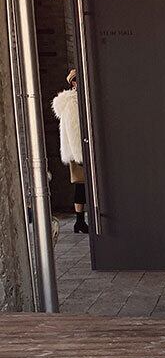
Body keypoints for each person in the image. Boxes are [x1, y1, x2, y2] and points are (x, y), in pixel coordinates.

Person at [51, 68, 87, 234]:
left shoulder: (77, 99)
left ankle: (80, 222)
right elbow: (74, 130)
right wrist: (79, 155)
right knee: (81, 185)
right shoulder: (72, 101)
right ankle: (79, 221)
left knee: (82, 186)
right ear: (74, 82)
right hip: (77, 150)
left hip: (79, 149)